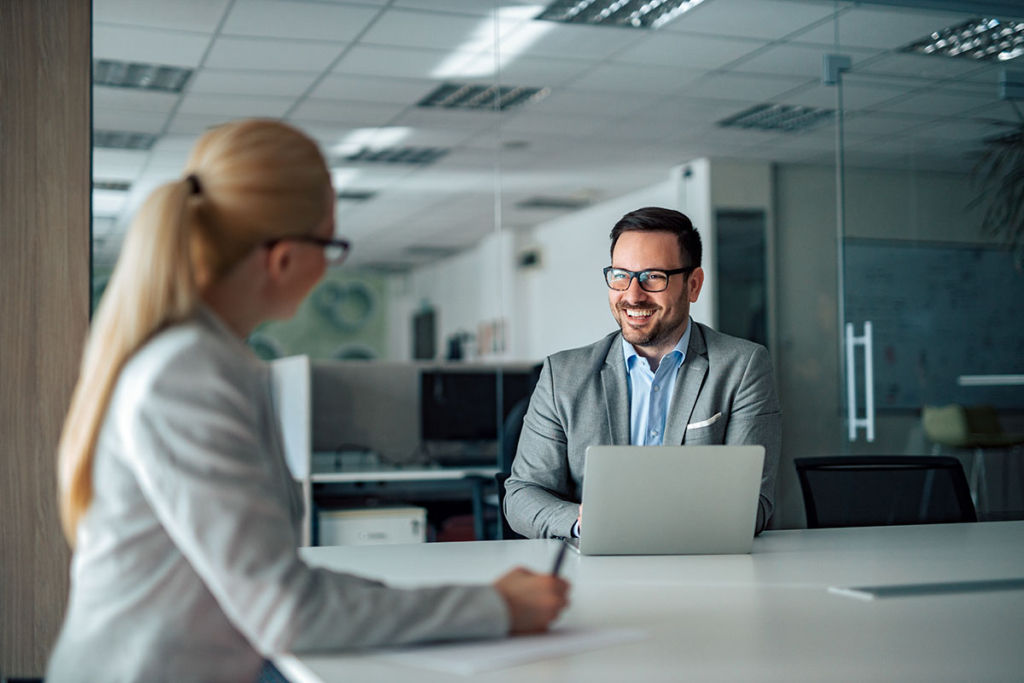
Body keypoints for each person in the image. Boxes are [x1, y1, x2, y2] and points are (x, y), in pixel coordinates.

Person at [47, 120, 569, 683]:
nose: (328, 264)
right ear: (284, 256)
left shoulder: (207, 360)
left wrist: (475, 600)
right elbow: (287, 610)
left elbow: (280, 583)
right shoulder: (187, 374)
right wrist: (493, 609)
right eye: (331, 244)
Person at [503, 207, 781, 540]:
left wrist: (648, 524)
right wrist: (582, 522)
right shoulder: (561, 376)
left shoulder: (742, 366)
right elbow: (522, 494)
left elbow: (755, 504)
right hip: (592, 570)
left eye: (653, 277)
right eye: (621, 275)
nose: (632, 295)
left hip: (701, 567)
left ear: (693, 285)